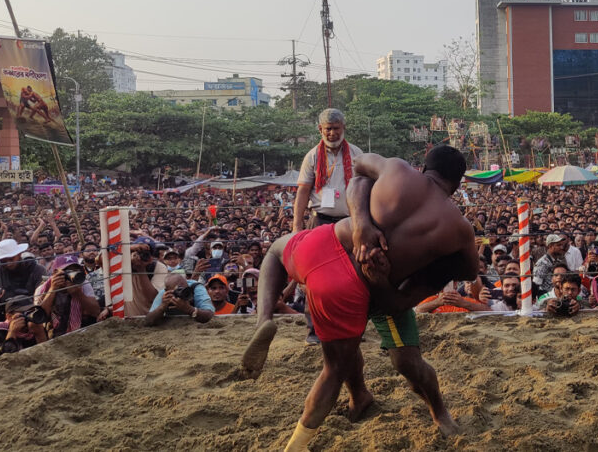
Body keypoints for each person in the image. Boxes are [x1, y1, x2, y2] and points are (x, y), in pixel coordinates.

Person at [243, 146, 476, 448]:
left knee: (275, 251)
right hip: (372, 287)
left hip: (326, 250)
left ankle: (264, 319)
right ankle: (439, 413)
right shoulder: (459, 227)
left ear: (423, 167)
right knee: (389, 364)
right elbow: (470, 271)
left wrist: (361, 223)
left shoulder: (396, 168)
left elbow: (358, 173)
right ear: (457, 184)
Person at [293, 108, 364, 344]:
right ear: (320, 130)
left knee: (355, 275)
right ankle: (315, 331)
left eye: (336, 128)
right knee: (315, 278)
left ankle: (353, 330)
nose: (332, 133)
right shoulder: (312, 156)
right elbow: (303, 192)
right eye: (328, 129)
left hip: (349, 221)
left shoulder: (356, 154)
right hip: (320, 220)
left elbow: (364, 189)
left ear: (344, 128)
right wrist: (297, 228)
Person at [33, 255, 101, 338]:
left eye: (76, 270)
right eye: (67, 271)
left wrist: (78, 293)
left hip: (81, 329)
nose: (72, 274)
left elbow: (96, 312)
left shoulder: (83, 284)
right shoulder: (42, 289)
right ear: (55, 273)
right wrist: (52, 290)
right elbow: (40, 317)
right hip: (52, 331)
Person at [0, 238, 46, 324]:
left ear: (19, 254)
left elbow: (42, 294)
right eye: (4, 260)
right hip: (5, 313)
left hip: (33, 311)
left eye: (11, 259)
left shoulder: (36, 269)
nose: (8, 263)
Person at [144, 274, 214, 326]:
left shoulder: (196, 288)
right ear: (167, 290)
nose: (182, 293)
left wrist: (189, 309)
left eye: (185, 290)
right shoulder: (165, 294)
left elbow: (209, 315)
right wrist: (162, 307)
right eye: (178, 290)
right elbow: (148, 321)